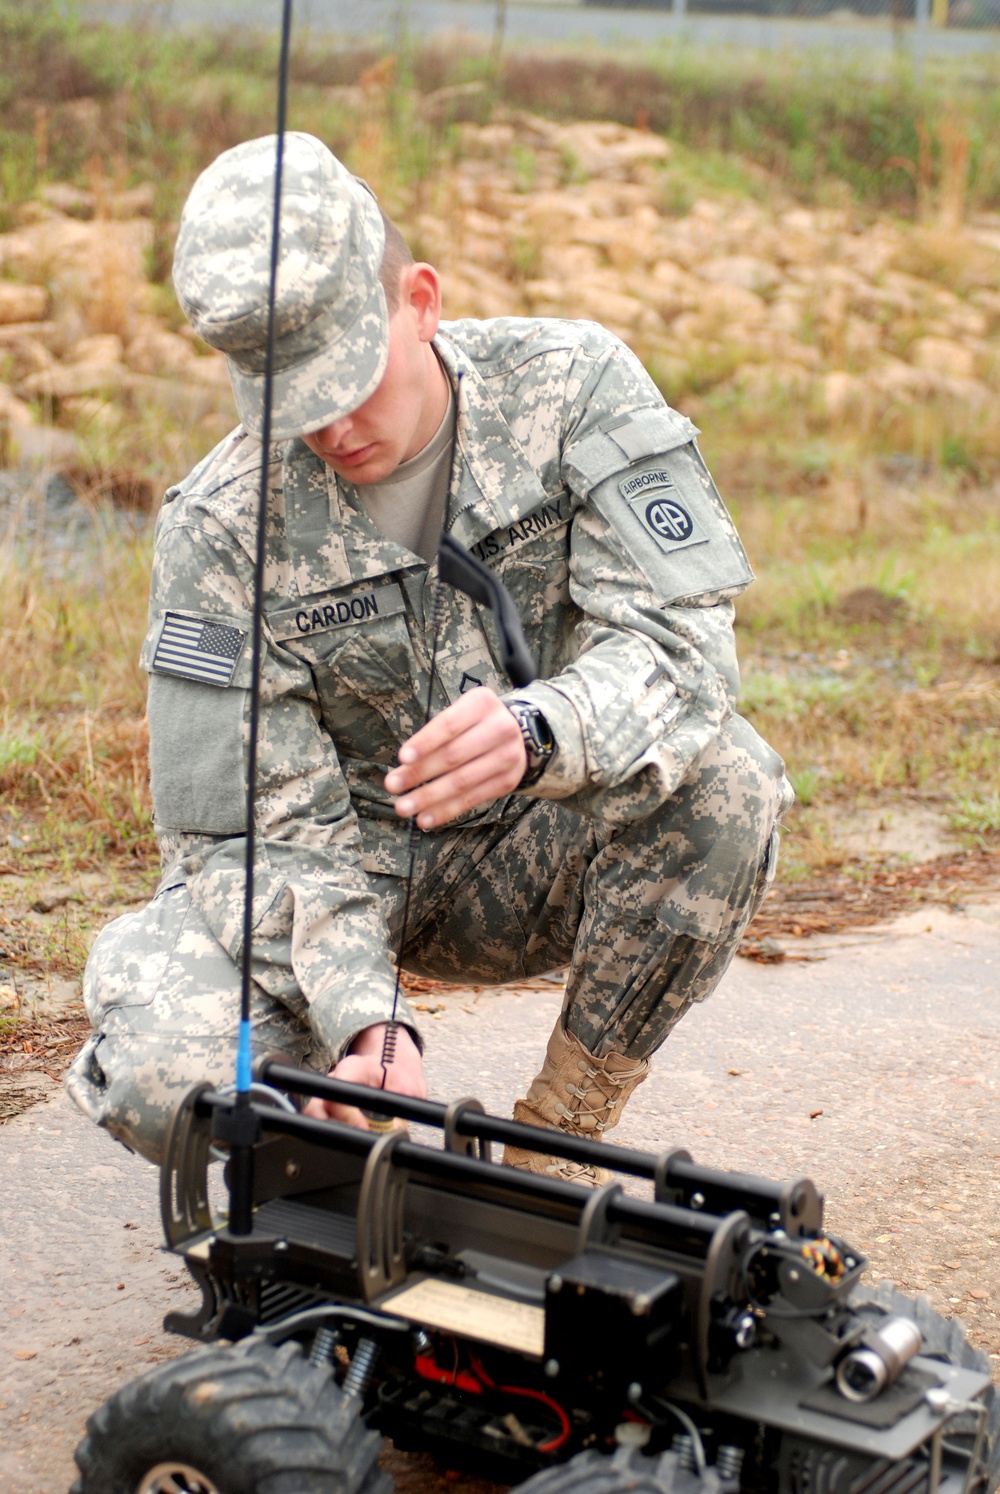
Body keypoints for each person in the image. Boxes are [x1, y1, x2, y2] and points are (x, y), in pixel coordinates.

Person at [67, 132, 792, 1184]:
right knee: (156, 1065)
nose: (330, 424)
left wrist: (546, 729)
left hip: (538, 845)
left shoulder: (575, 387)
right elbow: (245, 838)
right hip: (340, 879)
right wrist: (366, 1017)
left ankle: (557, 1145)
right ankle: (332, 1160)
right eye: (289, 397)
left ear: (420, 299)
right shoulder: (219, 528)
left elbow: (680, 648)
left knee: (728, 782)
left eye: (347, 376)